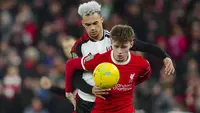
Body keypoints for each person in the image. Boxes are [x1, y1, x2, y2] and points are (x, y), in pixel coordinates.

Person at [40, 1, 175, 113]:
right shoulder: (79, 47)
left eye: (95, 23)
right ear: (83, 24)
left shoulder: (114, 38)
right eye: (88, 24)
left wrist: (165, 56)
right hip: (89, 101)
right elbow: (76, 78)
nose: (92, 28)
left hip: (114, 100)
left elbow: (144, 46)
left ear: (101, 20)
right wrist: (91, 89)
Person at [65, 24, 152, 113]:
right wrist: (68, 92)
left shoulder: (141, 63)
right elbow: (70, 64)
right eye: (116, 46)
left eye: (124, 47)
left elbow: (146, 73)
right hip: (101, 109)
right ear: (111, 42)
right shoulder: (101, 59)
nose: (119, 52)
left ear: (131, 44)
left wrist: (130, 83)